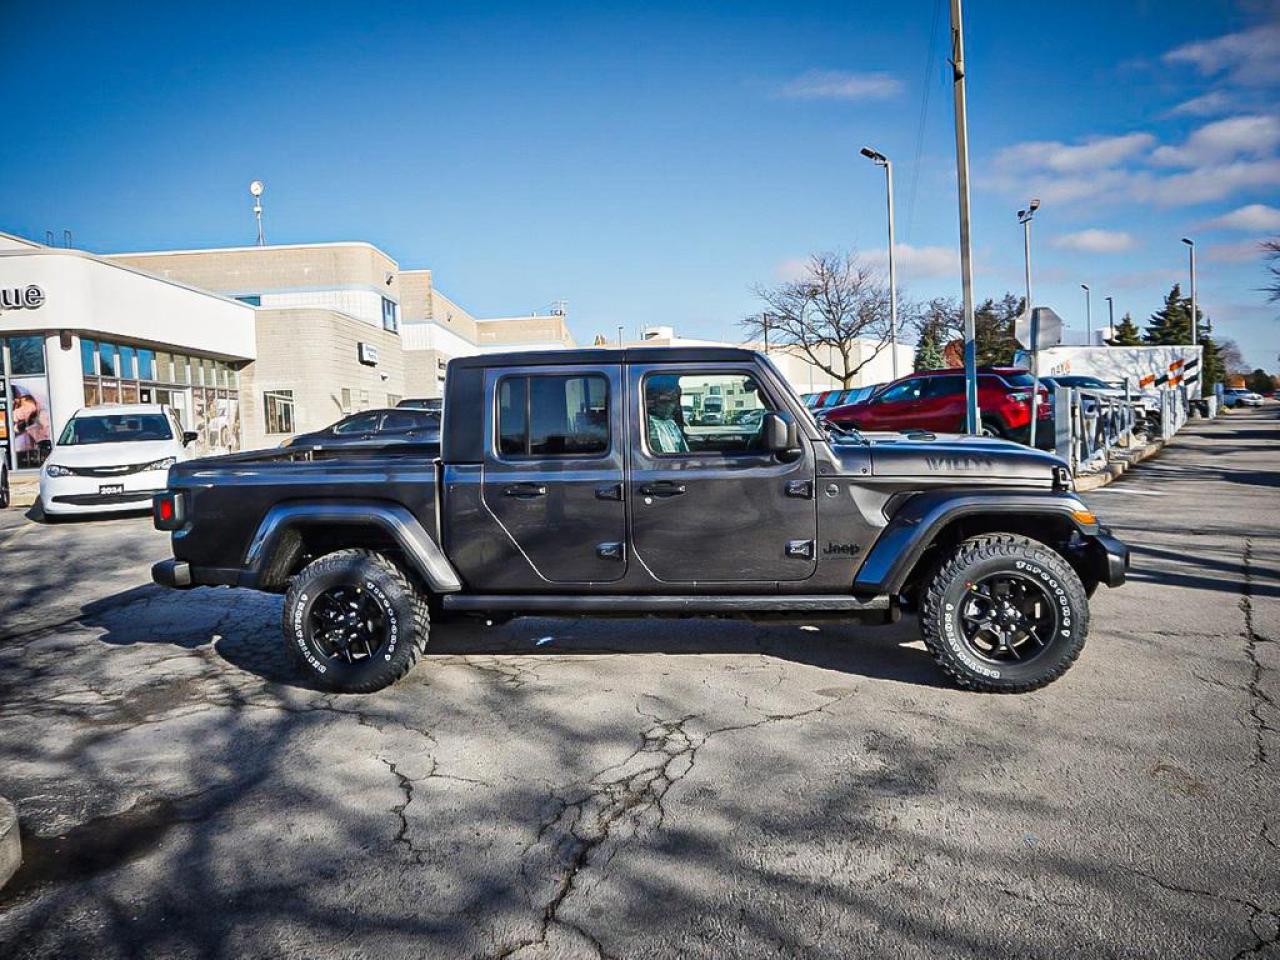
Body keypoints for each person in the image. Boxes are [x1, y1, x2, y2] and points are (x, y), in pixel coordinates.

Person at [646, 375, 689, 454]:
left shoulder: (671, 424)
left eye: (672, 402)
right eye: (664, 402)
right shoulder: (649, 424)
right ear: (655, 402)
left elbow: (684, 453)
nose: (669, 406)